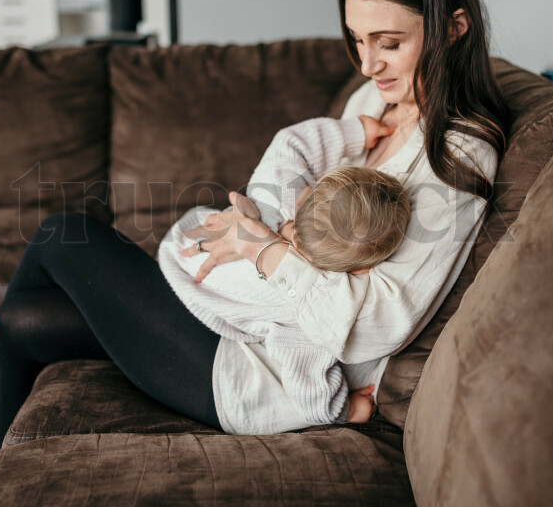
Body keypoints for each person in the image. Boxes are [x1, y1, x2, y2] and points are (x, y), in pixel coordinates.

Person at [0, 0, 510, 477]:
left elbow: (375, 326)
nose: (368, 63)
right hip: (242, 322)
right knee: (21, 323)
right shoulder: (372, 103)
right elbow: (285, 184)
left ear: (453, 28)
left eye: (389, 42)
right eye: (357, 40)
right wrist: (266, 224)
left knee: (64, 236)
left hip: (260, 372)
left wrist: (266, 249)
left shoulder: (458, 155)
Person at [158, 114, 411, 426]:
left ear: (310, 191)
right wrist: (347, 410)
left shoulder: (280, 192)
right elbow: (308, 388)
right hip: (191, 291)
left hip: (185, 241)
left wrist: (354, 132)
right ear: (361, 271)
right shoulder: (304, 309)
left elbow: (290, 143)